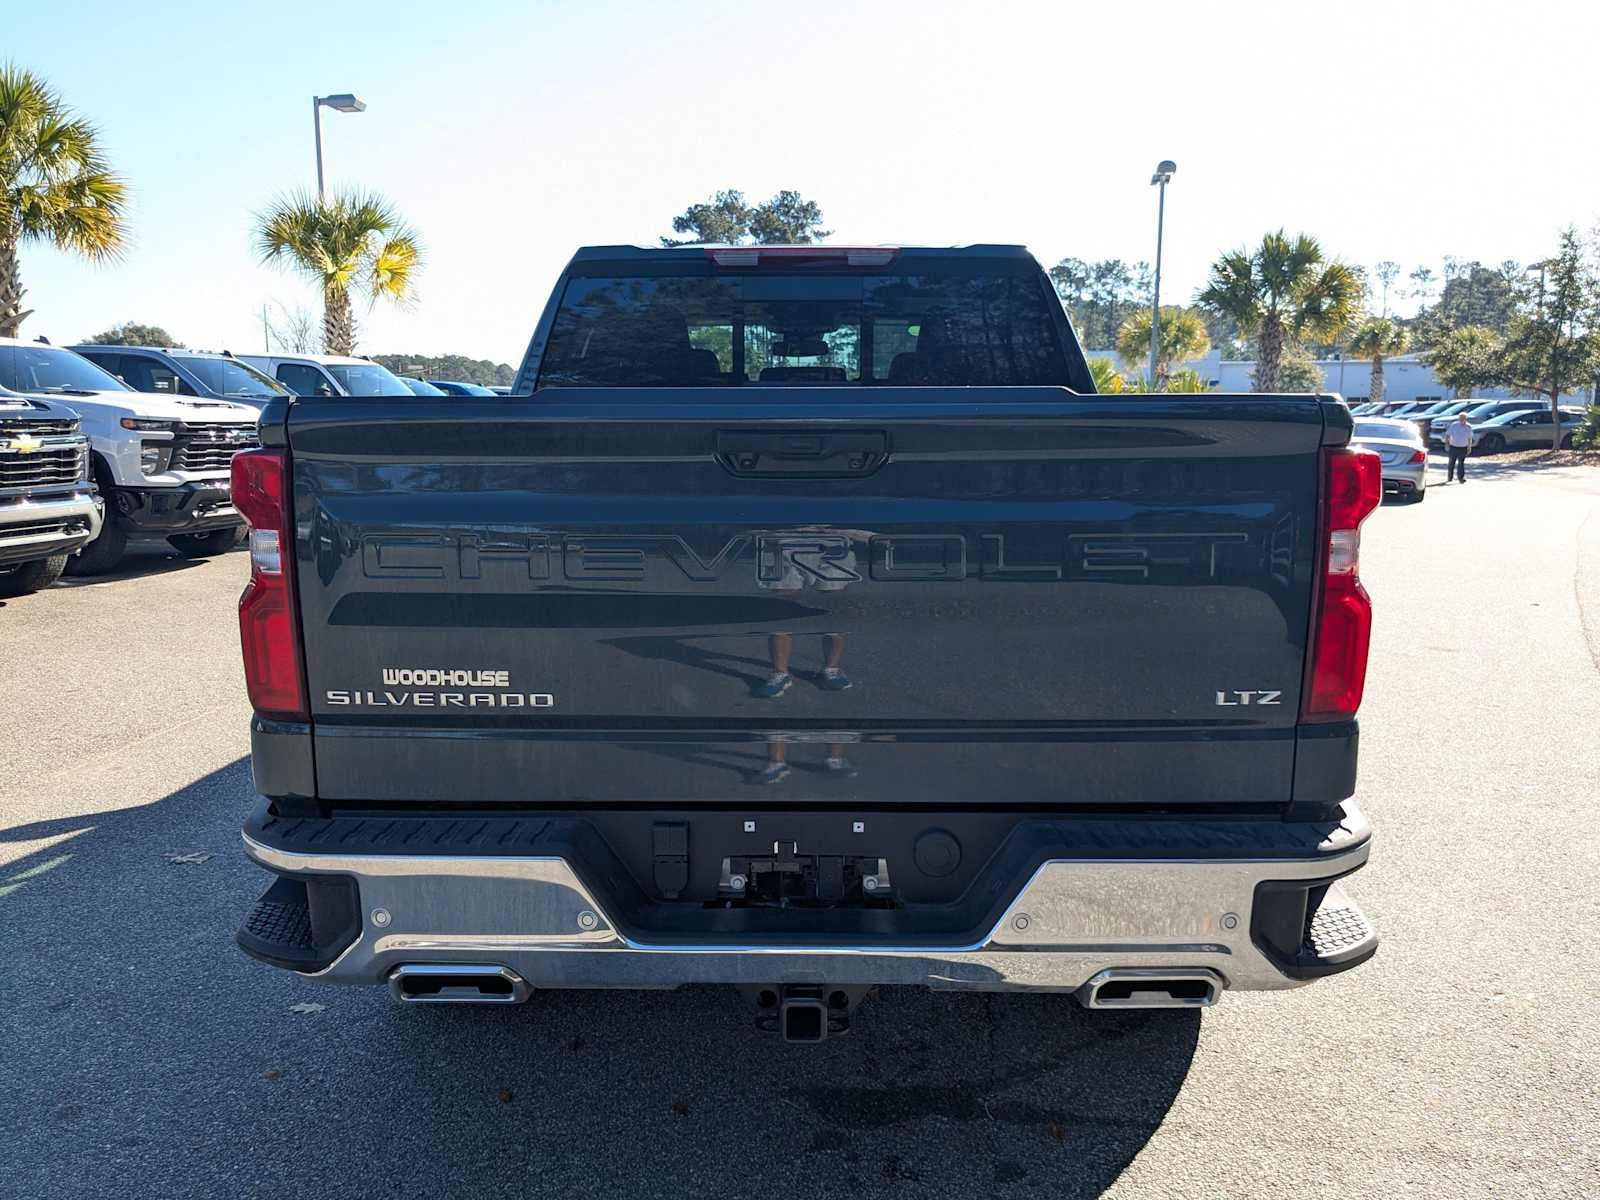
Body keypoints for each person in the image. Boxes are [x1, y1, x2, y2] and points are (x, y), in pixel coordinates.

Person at [1444, 412, 1474, 483]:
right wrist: (1447, 444)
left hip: (1463, 447)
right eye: (1460, 418)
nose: (1462, 420)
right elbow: (1447, 435)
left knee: (1461, 463)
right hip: (1453, 446)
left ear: (1466, 419)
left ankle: (1461, 478)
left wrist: (1469, 447)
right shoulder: (1454, 425)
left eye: (1463, 418)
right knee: (1451, 462)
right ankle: (1450, 477)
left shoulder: (1468, 427)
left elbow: (1470, 438)